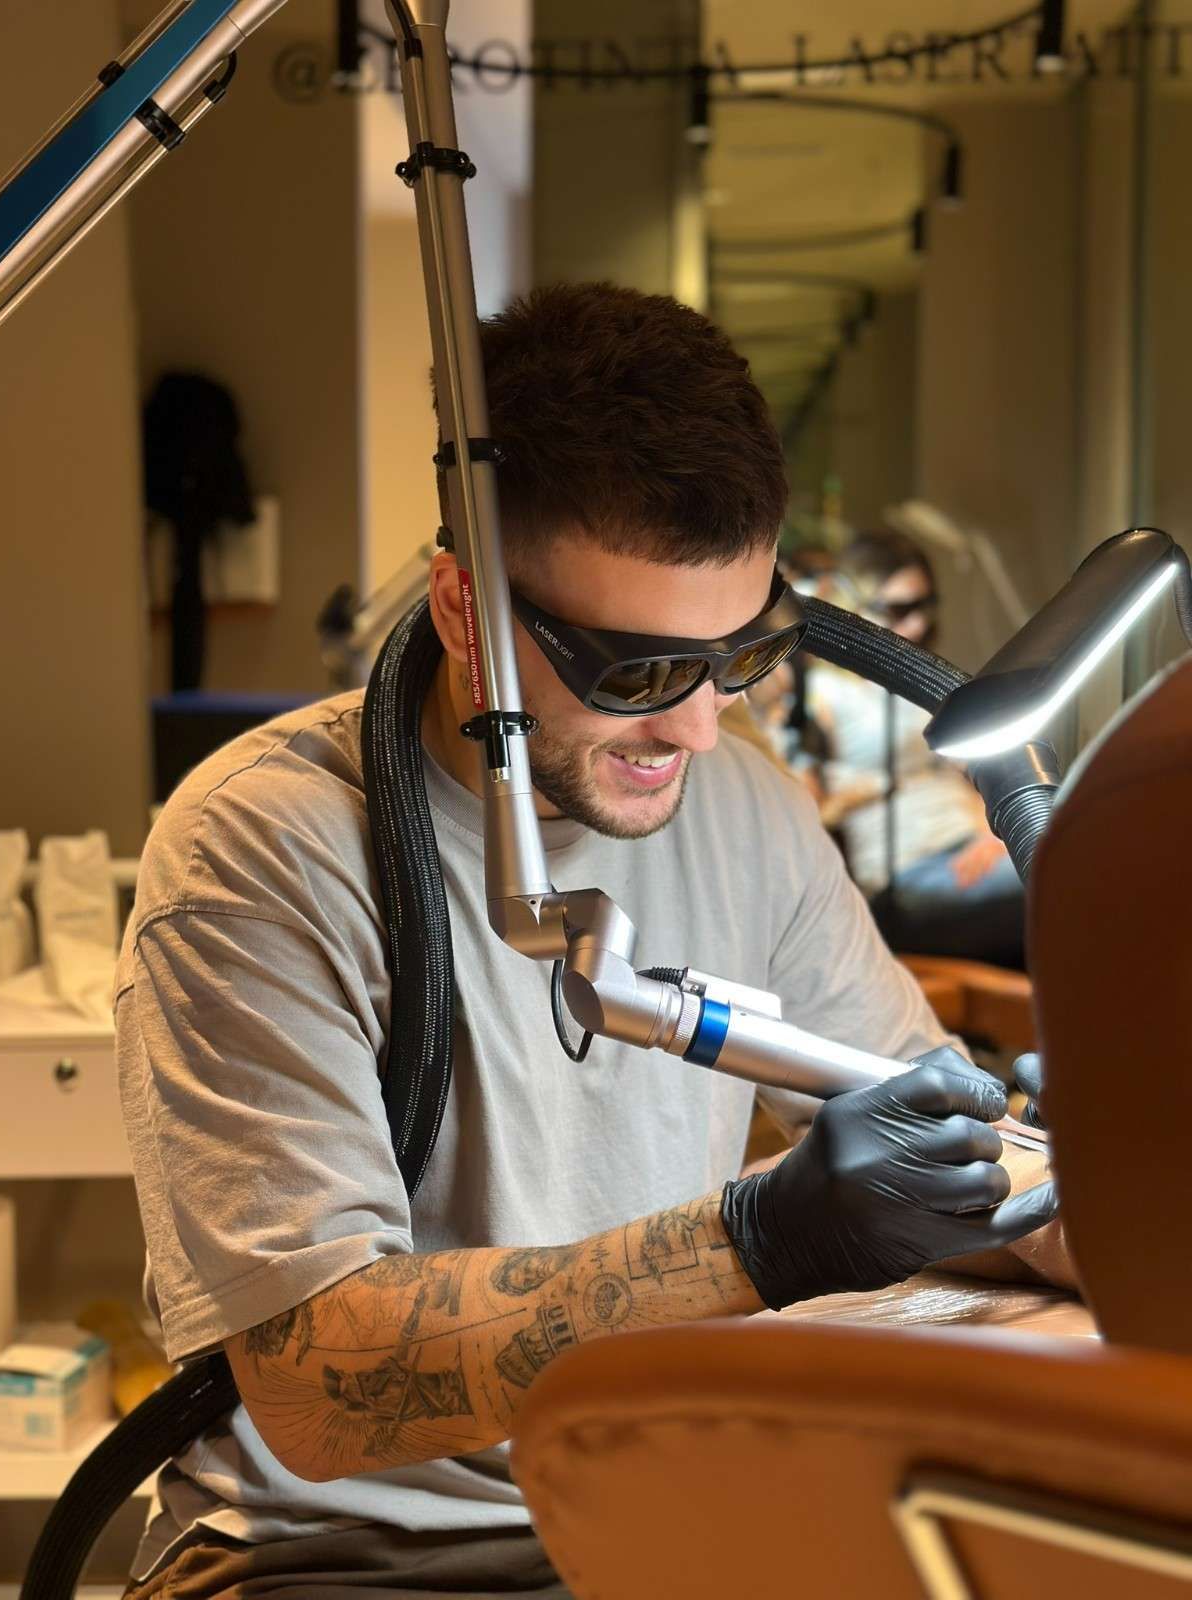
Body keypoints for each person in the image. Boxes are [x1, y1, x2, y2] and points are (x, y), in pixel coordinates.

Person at [116, 285, 1060, 1600]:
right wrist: (760, 1239)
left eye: (739, 657)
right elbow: (317, 1392)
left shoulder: (751, 811)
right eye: (636, 673)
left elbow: (951, 1154)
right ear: (463, 610)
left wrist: (1089, 1193)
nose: (696, 728)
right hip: (347, 1557)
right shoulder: (261, 849)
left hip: (659, 1518)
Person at [807, 530, 1028, 970]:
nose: (917, 625)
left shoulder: (921, 681)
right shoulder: (823, 693)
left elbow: (968, 773)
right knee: (1064, 881)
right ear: (854, 605)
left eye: (925, 606)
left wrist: (994, 835)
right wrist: (873, 789)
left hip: (969, 842)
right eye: (899, 610)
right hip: (906, 869)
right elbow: (806, 801)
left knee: (1072, 864)